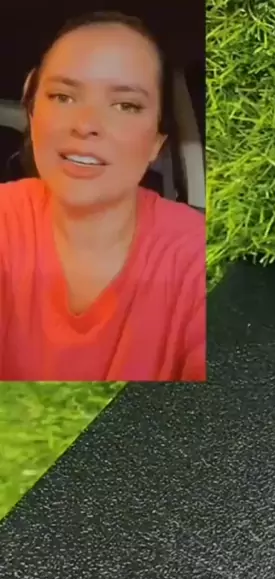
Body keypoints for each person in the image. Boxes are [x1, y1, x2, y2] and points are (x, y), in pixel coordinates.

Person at [0, 11, 206, 381]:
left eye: (126, 105)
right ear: (32, 112)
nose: (86, 125)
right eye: (63, 96)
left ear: (156, 142)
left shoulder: (201, 256)